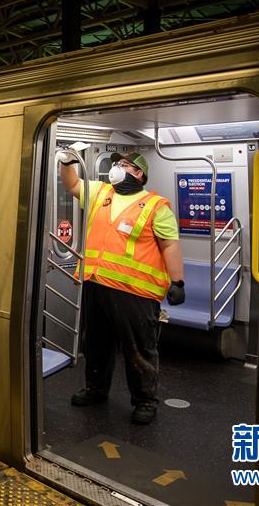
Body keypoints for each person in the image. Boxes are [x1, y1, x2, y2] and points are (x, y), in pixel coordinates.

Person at [58, 149, 185, 424]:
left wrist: (177, 281)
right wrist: (67, 160)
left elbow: (170, 245)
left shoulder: (155, 206)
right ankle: (96, 389)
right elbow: (71, 184)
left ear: (138, 174)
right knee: (95, 343)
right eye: (115, 163)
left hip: (135, 292)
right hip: (97, 284)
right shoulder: (101, 194)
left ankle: (145, 401)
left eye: (124, 165)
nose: (116, 168)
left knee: (138, 348)